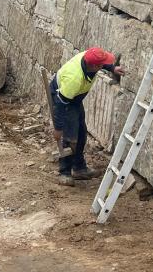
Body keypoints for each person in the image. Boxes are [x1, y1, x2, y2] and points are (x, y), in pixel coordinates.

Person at [49, 48, 126, 186]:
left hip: (75, 97)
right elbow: (60, 105)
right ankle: (64, 173)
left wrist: (112, 68)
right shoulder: (74, 79)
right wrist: (58, 128)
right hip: (64, 98)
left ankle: (79, 168)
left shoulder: (90, 58)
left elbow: (101, 63)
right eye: (102, 65)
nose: (103, 65)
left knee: (81, 132)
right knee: (70, 137)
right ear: (95, 66)